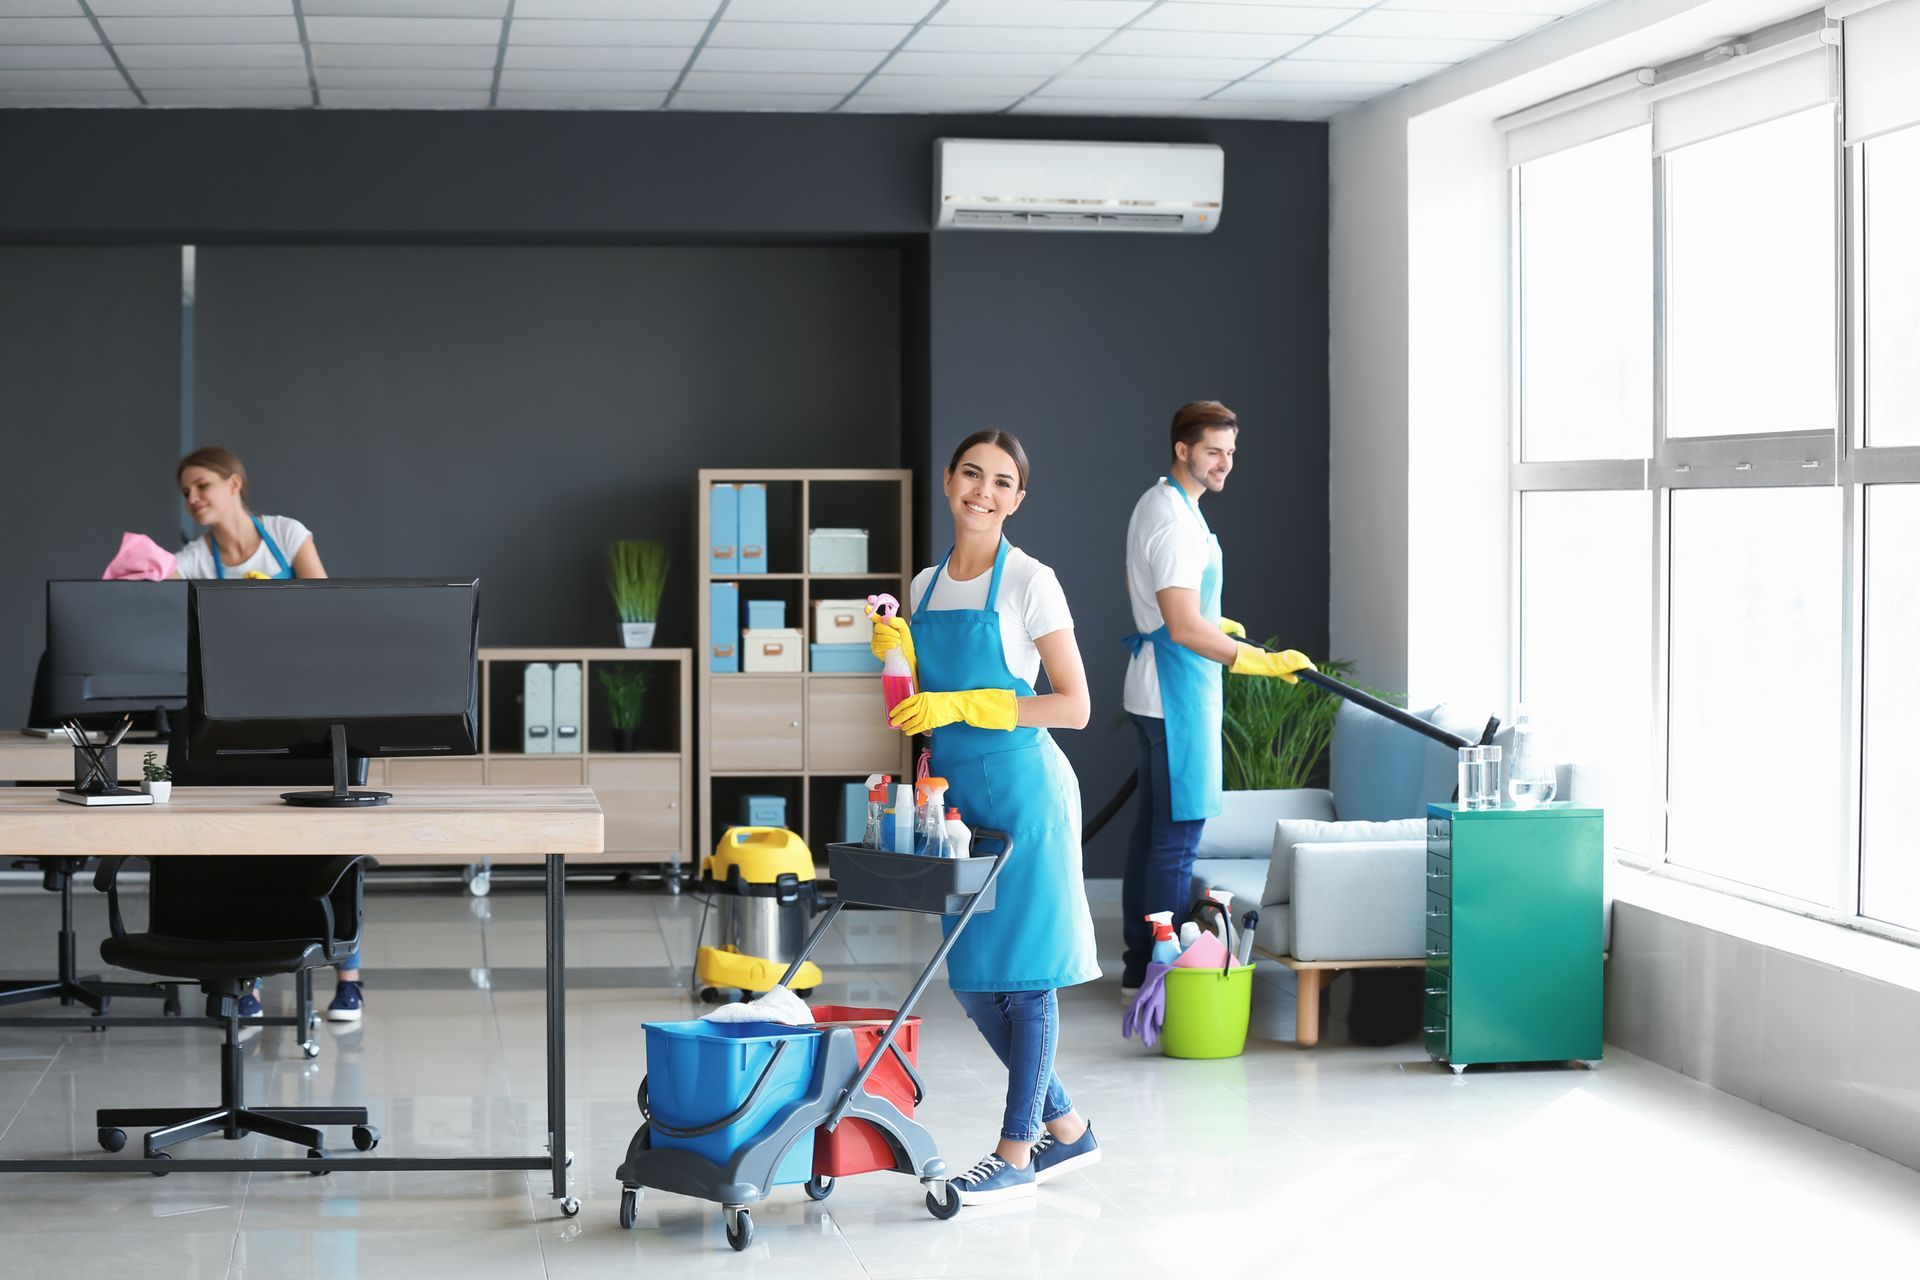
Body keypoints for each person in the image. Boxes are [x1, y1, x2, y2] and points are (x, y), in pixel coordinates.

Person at [870, 430, 1102, 1206]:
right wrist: (896, 661)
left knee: (1026, 982)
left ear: (1018, 499)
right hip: (959, 805)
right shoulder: (925, 585)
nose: (984, 491)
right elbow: (914, 706)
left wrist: (968, 704)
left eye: (1002, 482)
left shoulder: (1032, 582)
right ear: (948, 481)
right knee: (973, 982)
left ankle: (1017, 1150)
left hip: (1028, 796)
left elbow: (1074, 705)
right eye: (972, 474)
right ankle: (1068, 1129)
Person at [1119, 402, 1315, 995]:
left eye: (1230, 451)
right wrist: (1258, 661)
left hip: (1160, 687)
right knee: (1177, 841)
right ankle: (1163, 975)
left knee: (1154, 834)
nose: (1225, 462)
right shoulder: (1175, 522)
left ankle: (1139, 964)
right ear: (1182, 449)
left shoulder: (1165, 502)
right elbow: (1181, 625)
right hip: (1176, 694)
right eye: (1213, 451)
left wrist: (1217, 623)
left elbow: (1178, 608)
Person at [172, 446, 365, 1024]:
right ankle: (248, 976)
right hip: (240, 713)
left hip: (309, 705)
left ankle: (349, 976)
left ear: (234, 484)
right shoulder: (193, 559)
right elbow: (161, 603)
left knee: (331, 837)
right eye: (185, 492)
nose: (193, 499)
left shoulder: (284, 533)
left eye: (202, 486)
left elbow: (324, 608)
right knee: (250, 843)